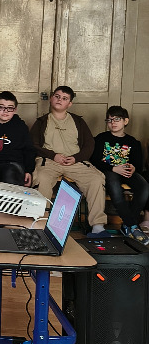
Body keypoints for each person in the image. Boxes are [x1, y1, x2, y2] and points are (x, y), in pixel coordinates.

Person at [30, 86, 107, 237]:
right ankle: (41, 222)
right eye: (57, 96)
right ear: (51, 98)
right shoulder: (41, 121)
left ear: (69, 104)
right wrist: (53, 155)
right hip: (50, 161)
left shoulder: (78, 121)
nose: (60, 100)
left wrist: (76, 158)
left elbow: (89, 144)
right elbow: (33, 144)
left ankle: (98, 226)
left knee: (96, 179)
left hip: (74, 161)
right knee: (42, 178)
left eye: (64, 98)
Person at [90, 106, 149, 244]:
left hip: (126, 171)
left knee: (144, 187)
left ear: (125, 121)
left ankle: (127, 224)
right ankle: (133, 226)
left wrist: (133, 168)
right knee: (115, 188)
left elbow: (137, 164)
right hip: (109, 171)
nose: (113, 122)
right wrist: (113, 168)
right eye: (109, 120)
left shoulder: (133, 142)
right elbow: (94, 160)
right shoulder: (101, 138)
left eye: (117, 119)